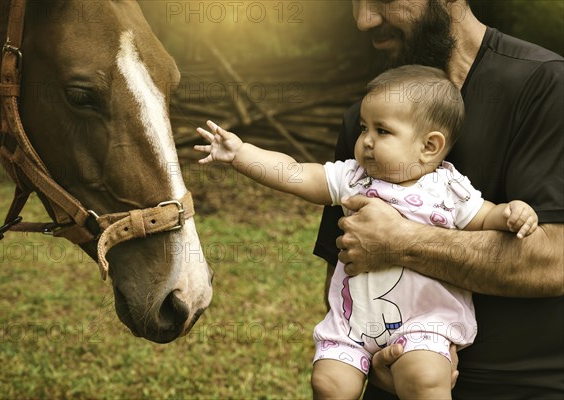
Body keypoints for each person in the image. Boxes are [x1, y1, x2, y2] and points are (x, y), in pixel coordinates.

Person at [194, 65, 539, 399]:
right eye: (363, 128)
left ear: (430, 146)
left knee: (424, 378)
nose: (366, 141)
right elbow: (297, 174)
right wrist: (241, 154)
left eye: (382, 131)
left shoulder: (448, 189)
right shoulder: (354, 177)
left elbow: (485, 217)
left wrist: (512, 212)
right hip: (354, 325)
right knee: (329, 383)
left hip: (424, 324)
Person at [315, 1, 564, 398]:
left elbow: (555, 260)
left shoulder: (545, 83)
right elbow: (344, 270)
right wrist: (375, 355)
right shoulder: (368, 126)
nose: (364, 20)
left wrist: (401, 242)